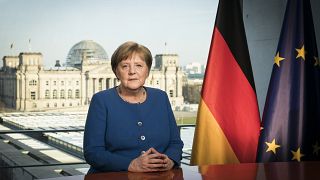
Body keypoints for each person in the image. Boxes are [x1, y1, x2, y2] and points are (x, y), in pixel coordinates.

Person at [83, 41, 184, 173]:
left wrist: (170, 160)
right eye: (125, 66)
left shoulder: (161, 97)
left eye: (139, 65)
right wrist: (130, 164)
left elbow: (175, 143)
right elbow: (93, 152)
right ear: (116, 72)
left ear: (147, 71)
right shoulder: (101, 100)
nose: (132, 72)